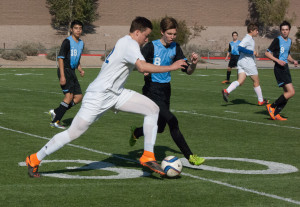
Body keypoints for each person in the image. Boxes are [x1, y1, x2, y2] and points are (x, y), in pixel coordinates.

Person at [25, 16, 188, 178]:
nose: (146, 40)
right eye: (145, 36)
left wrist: (147, 68)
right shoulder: (130, 44)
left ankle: (148, 156)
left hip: (116, 93)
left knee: (153, 109)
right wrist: (171, 67)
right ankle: (34, 159)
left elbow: (138, 65)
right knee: (73, 133)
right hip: (99, 95)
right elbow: (141, 66)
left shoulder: (127, 42)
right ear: (137, 32)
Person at [129, 17, 205, 166]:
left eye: (174, 34)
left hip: (165, 90)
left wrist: (194, 64)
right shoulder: (151, 46)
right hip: (151, 90)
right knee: (172, 120)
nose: (172, 37)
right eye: (169, 34)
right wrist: (143, 71)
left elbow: (188, 71)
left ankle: (137, 132)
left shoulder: (175, 47)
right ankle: (190, 156)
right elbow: (136, 64)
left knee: (161, 127)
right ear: (162, 32)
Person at [48, 20, 85, 129]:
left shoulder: (81, 43)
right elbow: (60, 58)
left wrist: (80, 69)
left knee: (78, 97)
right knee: (68, 97)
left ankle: (56, 111)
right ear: (71, 29)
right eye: (76, 28)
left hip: (72, 71)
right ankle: (55, 121)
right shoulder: (67, 42)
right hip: (65, 70)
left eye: (80, 28)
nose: (78, 30)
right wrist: (62, 76)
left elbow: (77, 59)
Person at [222, 23, 269, 106]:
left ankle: (227, 91)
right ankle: (261, 100)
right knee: (256, 81)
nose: (257, 32)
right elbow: (239, 47)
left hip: (241, 62)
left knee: (240, 81)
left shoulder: (249, 38)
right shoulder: (248, 38)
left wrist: (252, 53)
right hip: (248, 63)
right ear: (251, 30)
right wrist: (252, 52)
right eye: (256, 30)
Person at [265, 21, 298, 121]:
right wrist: (277, 60)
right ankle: (272, 106)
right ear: (280, 31)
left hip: (286, 68)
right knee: (291, 92)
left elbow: (287, 55)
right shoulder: (277, 40)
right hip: (279, 69)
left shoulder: (289, 41)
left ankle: (276, 113)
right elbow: (267, 53)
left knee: (287, 93)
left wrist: (293, 61)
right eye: (283, 30)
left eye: (286, 30)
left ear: (289, 30)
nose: (285, 31)